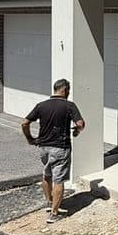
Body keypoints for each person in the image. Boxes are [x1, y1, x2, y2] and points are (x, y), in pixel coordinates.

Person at [22, 79, 85, 222]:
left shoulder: (41, 106)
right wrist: (76, 132)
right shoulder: (69, 105)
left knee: (46, 174)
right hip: (60, 148)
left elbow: (25, 123)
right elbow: (80, 124)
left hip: (43, 148)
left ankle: (50, 202)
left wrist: (30, 139)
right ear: (65, 90)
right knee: (59, 180)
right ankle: (54, 214)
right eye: (68, 91)